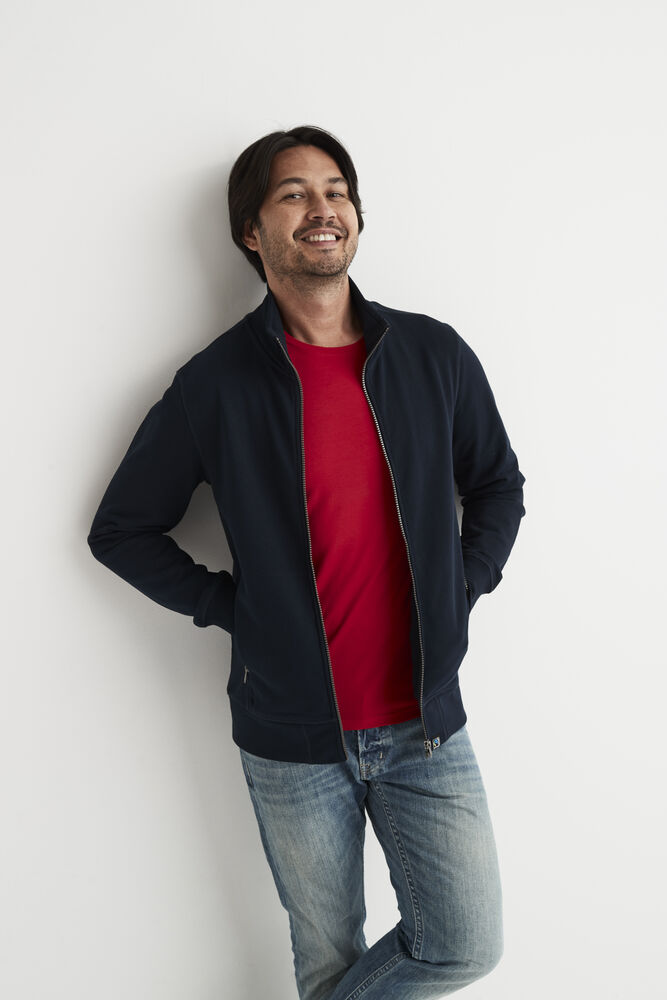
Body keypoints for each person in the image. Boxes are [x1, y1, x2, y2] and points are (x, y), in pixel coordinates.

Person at [87, 124, 526, 1000]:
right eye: (294, 194)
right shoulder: (215, 385)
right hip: (289, 736)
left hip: (424, 725)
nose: (323, 208)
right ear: (251, 232)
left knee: (464, 945)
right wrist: (233, 608)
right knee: (326, 960)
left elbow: (496, 488)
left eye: (336, 191)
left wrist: (461, 584)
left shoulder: (431, 354)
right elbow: (121, 530)